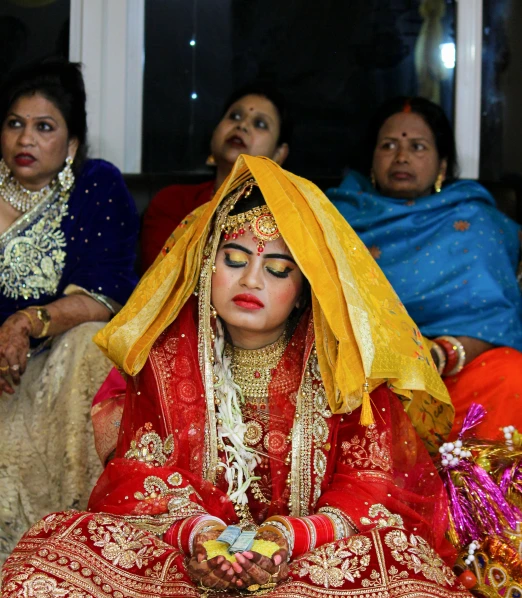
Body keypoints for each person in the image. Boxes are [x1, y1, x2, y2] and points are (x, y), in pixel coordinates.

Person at [0, 156, 520, 598]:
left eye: (278, 269)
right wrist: (198, 535)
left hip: (307, 560)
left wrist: (292, 537)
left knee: (365, 570)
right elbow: (137, 471)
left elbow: (371, 481)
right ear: (204, 266)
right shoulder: (166, 360)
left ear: (305, 289)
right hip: (189, 557)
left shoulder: (341, 367)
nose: (252, 279)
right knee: (55, 551)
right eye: (234, 258)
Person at [0, 59, 138, 562]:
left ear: (72, 143)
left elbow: (105, 297)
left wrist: (26, 322)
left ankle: (75, 549)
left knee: (91, 344)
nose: (25, 139)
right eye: (15, 124)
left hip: (55, 368)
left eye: (44, 127)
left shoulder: (96, 187)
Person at [327, 96, 522, 440]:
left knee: (511, 374)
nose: (401, 157)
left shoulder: (475, 220)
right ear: (371, 161)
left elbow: (496, 316)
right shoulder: (337, 215)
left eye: (417, 147)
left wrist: (442, 353)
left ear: (442, 165)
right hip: (369, 372)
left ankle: (477, 492)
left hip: (456, 369)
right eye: (388, 145)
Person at [140, 82, 291, 272]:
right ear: (214, 132)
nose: (242, 125)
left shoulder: (289, 218)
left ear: (279, 154)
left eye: (260, 124)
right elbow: (159, 284)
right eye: (234, 116)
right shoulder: (174, 203)